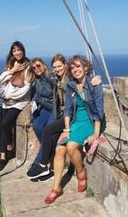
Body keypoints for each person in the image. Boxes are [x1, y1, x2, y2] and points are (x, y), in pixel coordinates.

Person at [27, 54, 102, 182]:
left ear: (65, 65)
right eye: (55, 67)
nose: (57, 69)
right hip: (62, 113)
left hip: (71, 115)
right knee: (51, 135)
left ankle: (43, 164)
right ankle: (48, 168)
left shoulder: (70, 78)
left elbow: (85, 79)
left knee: (48, 131)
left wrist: (98, 77)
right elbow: (44, 78)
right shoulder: (54, 77)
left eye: (59, 66)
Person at [44, 55, 104, 204]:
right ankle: (56, 188)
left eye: (78, 66)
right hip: (75, 122)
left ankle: (80, 172)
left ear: (85, 67)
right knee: (59, 150)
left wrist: (96, 133)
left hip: (90, 122)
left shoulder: (94, 84)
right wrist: (66, 129)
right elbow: (68, 110)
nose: (75, 69)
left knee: (71, 146)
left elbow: (99, 111)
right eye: (72, 67)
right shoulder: (70, 85)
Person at [0, 41, 34, 171]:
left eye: (19, 50)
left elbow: (26, 88)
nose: (17, 52)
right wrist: (13, 70)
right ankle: (3, 156)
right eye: (14, 50)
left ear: (23, 51)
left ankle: (10, 143)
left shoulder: (28, 66)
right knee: (3, 127)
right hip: (6, 103)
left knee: (4, 124)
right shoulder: (11, 65)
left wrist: (11, 97)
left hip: (19, 102)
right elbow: (1, 80)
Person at [29, 58, 55, 170]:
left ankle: (39, 161)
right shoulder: (37, 80)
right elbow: (37, 93)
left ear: (44, 65)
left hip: (54, 109)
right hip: (44, 109)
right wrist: (34, 100)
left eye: (38, 66)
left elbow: (51, 91)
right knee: (37, 126)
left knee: (46, 131)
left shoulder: (51, 77)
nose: (36, 69)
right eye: (34, 68)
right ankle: (47, 150)